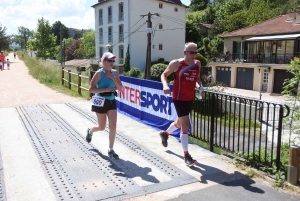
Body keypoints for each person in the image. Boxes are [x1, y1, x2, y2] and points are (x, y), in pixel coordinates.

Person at [159, 42, 202, 167]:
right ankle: (186, 155)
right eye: (191, 52)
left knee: (180, 122)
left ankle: (165, 133)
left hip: (190, 97)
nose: (194, 55)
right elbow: (164, 75)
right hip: (178, 98)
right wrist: (165, 85)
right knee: (185, 126)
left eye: (195, 52)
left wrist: (200, 87)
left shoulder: (197, 64)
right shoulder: (176, 63)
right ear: (185, 52)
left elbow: (197, 79)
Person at [86, 52, 123, 159]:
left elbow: (120, 89)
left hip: (111, 100)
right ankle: (91, 130)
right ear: (104, 61)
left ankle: (111, 149)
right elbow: (91, 89)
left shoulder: (115, 73)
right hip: (100, 100)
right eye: (109, 60)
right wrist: (106, 89)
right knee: (101, 127)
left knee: (113, 126)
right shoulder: (99, 73)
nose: (112, 63)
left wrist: (113, 78)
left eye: (113, 61)